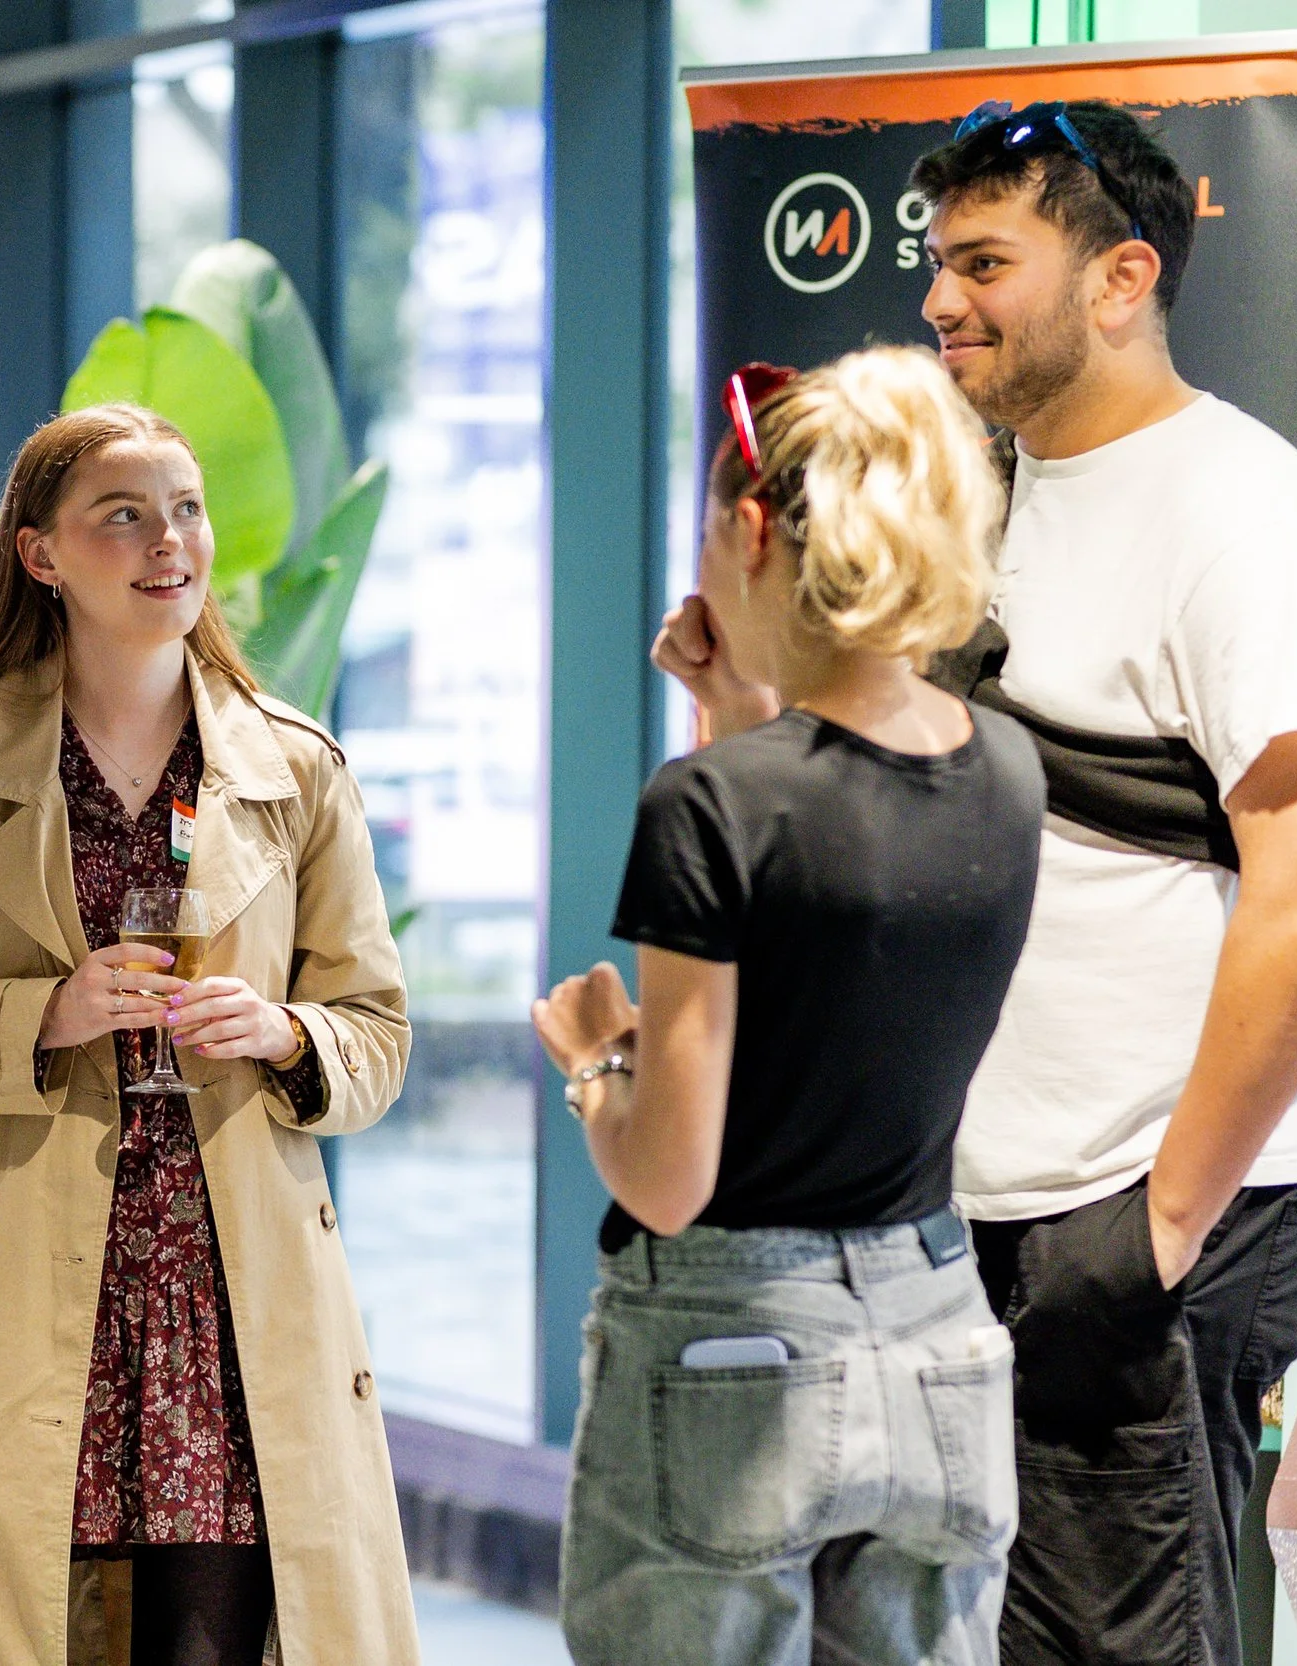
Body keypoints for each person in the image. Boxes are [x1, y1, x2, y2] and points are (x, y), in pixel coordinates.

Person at [665, 101, 1297, 1666]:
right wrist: (736, 706)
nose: (936, 300)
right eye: (936, 260)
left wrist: (1154, 1232)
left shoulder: (1239, 512)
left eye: (985, 259)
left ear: (1120, 279)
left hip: (1149, 1207)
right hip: (962, 1210)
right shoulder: (989, 500)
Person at [0, 403, 420, 1666]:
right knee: (15, 1621)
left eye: (183, 509)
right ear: (39, 554)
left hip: (227, 1302)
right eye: (122, 515)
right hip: (18, 1283)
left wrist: (286, 1033)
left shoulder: (294, 768)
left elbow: (377, 1033)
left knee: (222, 1637)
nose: (168, 542)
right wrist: (43, 1014)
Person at [541, 345, 1042, 1666]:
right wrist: (737, 711)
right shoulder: (1007, 766)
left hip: (729, 1345)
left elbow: (667, 1177)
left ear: (753, 529)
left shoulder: (710, 805)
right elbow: (837, 904)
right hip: (937, 1332)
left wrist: (597, 1063)